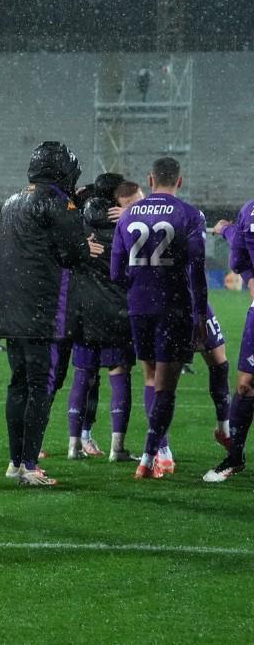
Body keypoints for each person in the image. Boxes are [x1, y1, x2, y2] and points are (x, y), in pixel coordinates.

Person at [0, 141, 102, 487]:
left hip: (11, 310)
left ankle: (15, 462)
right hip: (43, 310)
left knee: (19, 385)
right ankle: (29, 466)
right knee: (40, 388)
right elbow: (73, 254)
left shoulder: (11, 203)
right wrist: (87, 246)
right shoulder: (57, 202)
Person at [111, 157, 208, 479]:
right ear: (179, 181)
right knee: (167, 385)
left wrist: (138, 285)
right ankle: (152, 454)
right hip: (174, 306)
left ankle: (158, 451)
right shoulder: (189, 214)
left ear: (150, 180)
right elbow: (197, 269)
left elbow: (115, 272)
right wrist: (198, 315)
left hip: (139, 306)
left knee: (150, 377)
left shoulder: (127, 217)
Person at [61, 175, 136, 461]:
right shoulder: (127, 226)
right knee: (119, 377)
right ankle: (117, 448)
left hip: (84, 312)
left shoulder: (79, 224)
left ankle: (73, 445)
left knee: (82, 377)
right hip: (118, 311)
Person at [205, 204, 254, 482]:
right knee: (246, 385)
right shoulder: (250, 211)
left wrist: (225, 229)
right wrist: (250, 281)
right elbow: (241, 255)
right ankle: (235, 457)